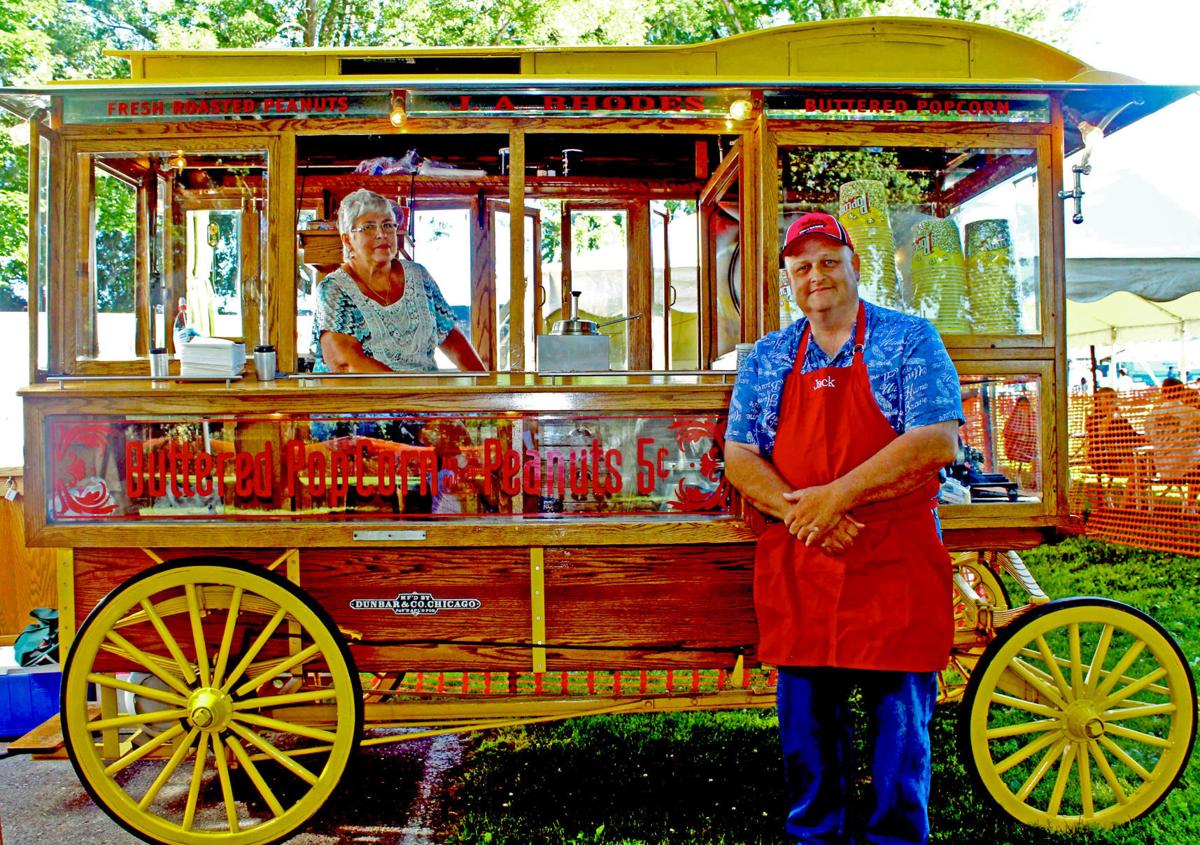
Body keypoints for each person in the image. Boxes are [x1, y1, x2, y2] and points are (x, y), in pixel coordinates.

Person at [725, 211, 962, 844]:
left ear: (855, 266)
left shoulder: (911, 338)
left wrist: (835, 498)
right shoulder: (768, 357)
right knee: (806, 730)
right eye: (802, 267)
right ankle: (815, 837)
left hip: (892, 554)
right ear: (789, 281)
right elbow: (740, 456)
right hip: (803, 552)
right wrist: (806, 513)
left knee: (899, 733)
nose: (816, 275)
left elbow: (936, 440)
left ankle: (896, 838)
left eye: (829, 260)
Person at [311, 188, 485, 373]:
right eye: (368, 227)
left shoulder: (419, 276)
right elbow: (344, 364)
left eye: (387, 225)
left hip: (423, 397)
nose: (381, 234)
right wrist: (407, 396)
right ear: (347, 240)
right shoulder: (334, 290)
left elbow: (452, 338)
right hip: (361, 399)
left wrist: (485, 386)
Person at [1084, 387, 1147, 508]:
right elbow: (1101, 434)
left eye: (1113, 397)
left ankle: (1133, 501)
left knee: (1143, 466)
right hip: (1103, 459)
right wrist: (1110, 415)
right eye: (1107, 397)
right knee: (1138, 468)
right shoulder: (1093, 419)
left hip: (1122, 456)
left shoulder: (1120, 419)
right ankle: (1125, 505)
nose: (1110, 400)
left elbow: (1133, 437)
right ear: (1098, 401)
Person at [1144, 377, 1200, 511]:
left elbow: (1149, 439)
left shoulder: (1151, 416)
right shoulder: (1192, 413)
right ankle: (1190, 506)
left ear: (1162, 392)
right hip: (1185, 468)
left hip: (1161, 468)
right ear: (1181, 392)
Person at [1001, 394, 1038, 490]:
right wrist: (1019, 437)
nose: (1024, 408)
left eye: (1026, 405)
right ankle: (1019, 482)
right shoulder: (1013, 419)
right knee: (1034, 459)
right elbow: (1007, 433)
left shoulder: (1034, 417)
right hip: (1016, 450)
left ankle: (1034, 482)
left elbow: (1037, 432)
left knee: (1036, 459)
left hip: (1031, 449)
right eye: (1021, 406)